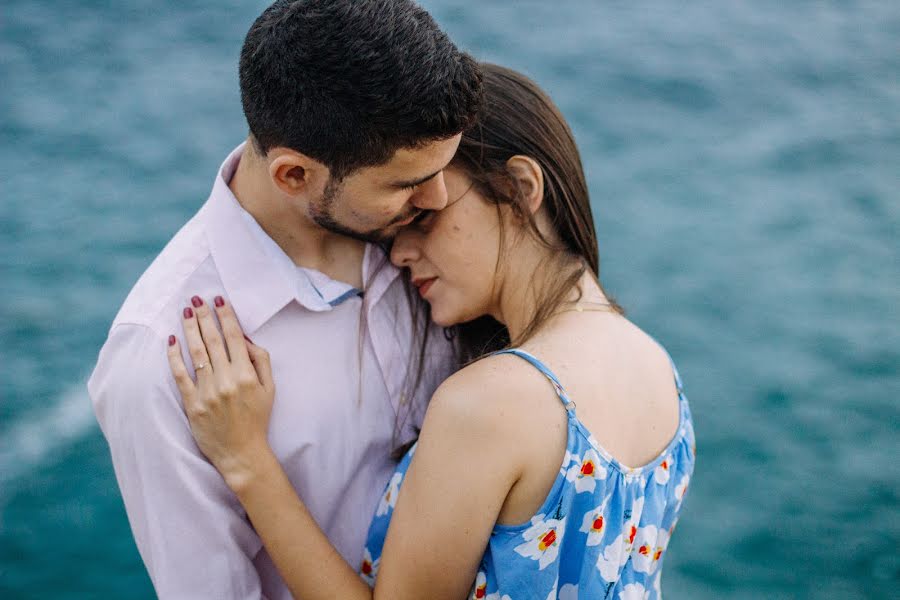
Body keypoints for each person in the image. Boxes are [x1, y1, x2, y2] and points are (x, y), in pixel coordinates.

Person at [166, 64, 697, 599]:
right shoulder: (659, 372)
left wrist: (248, 462)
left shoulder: (489, 404)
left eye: (426, 218)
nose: (398, 251)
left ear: (519, 188)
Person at [87, 1, 482, 598]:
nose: (440, 197)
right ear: (294, 176)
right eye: (405, 184)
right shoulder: (156, 364)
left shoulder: (432, 244)